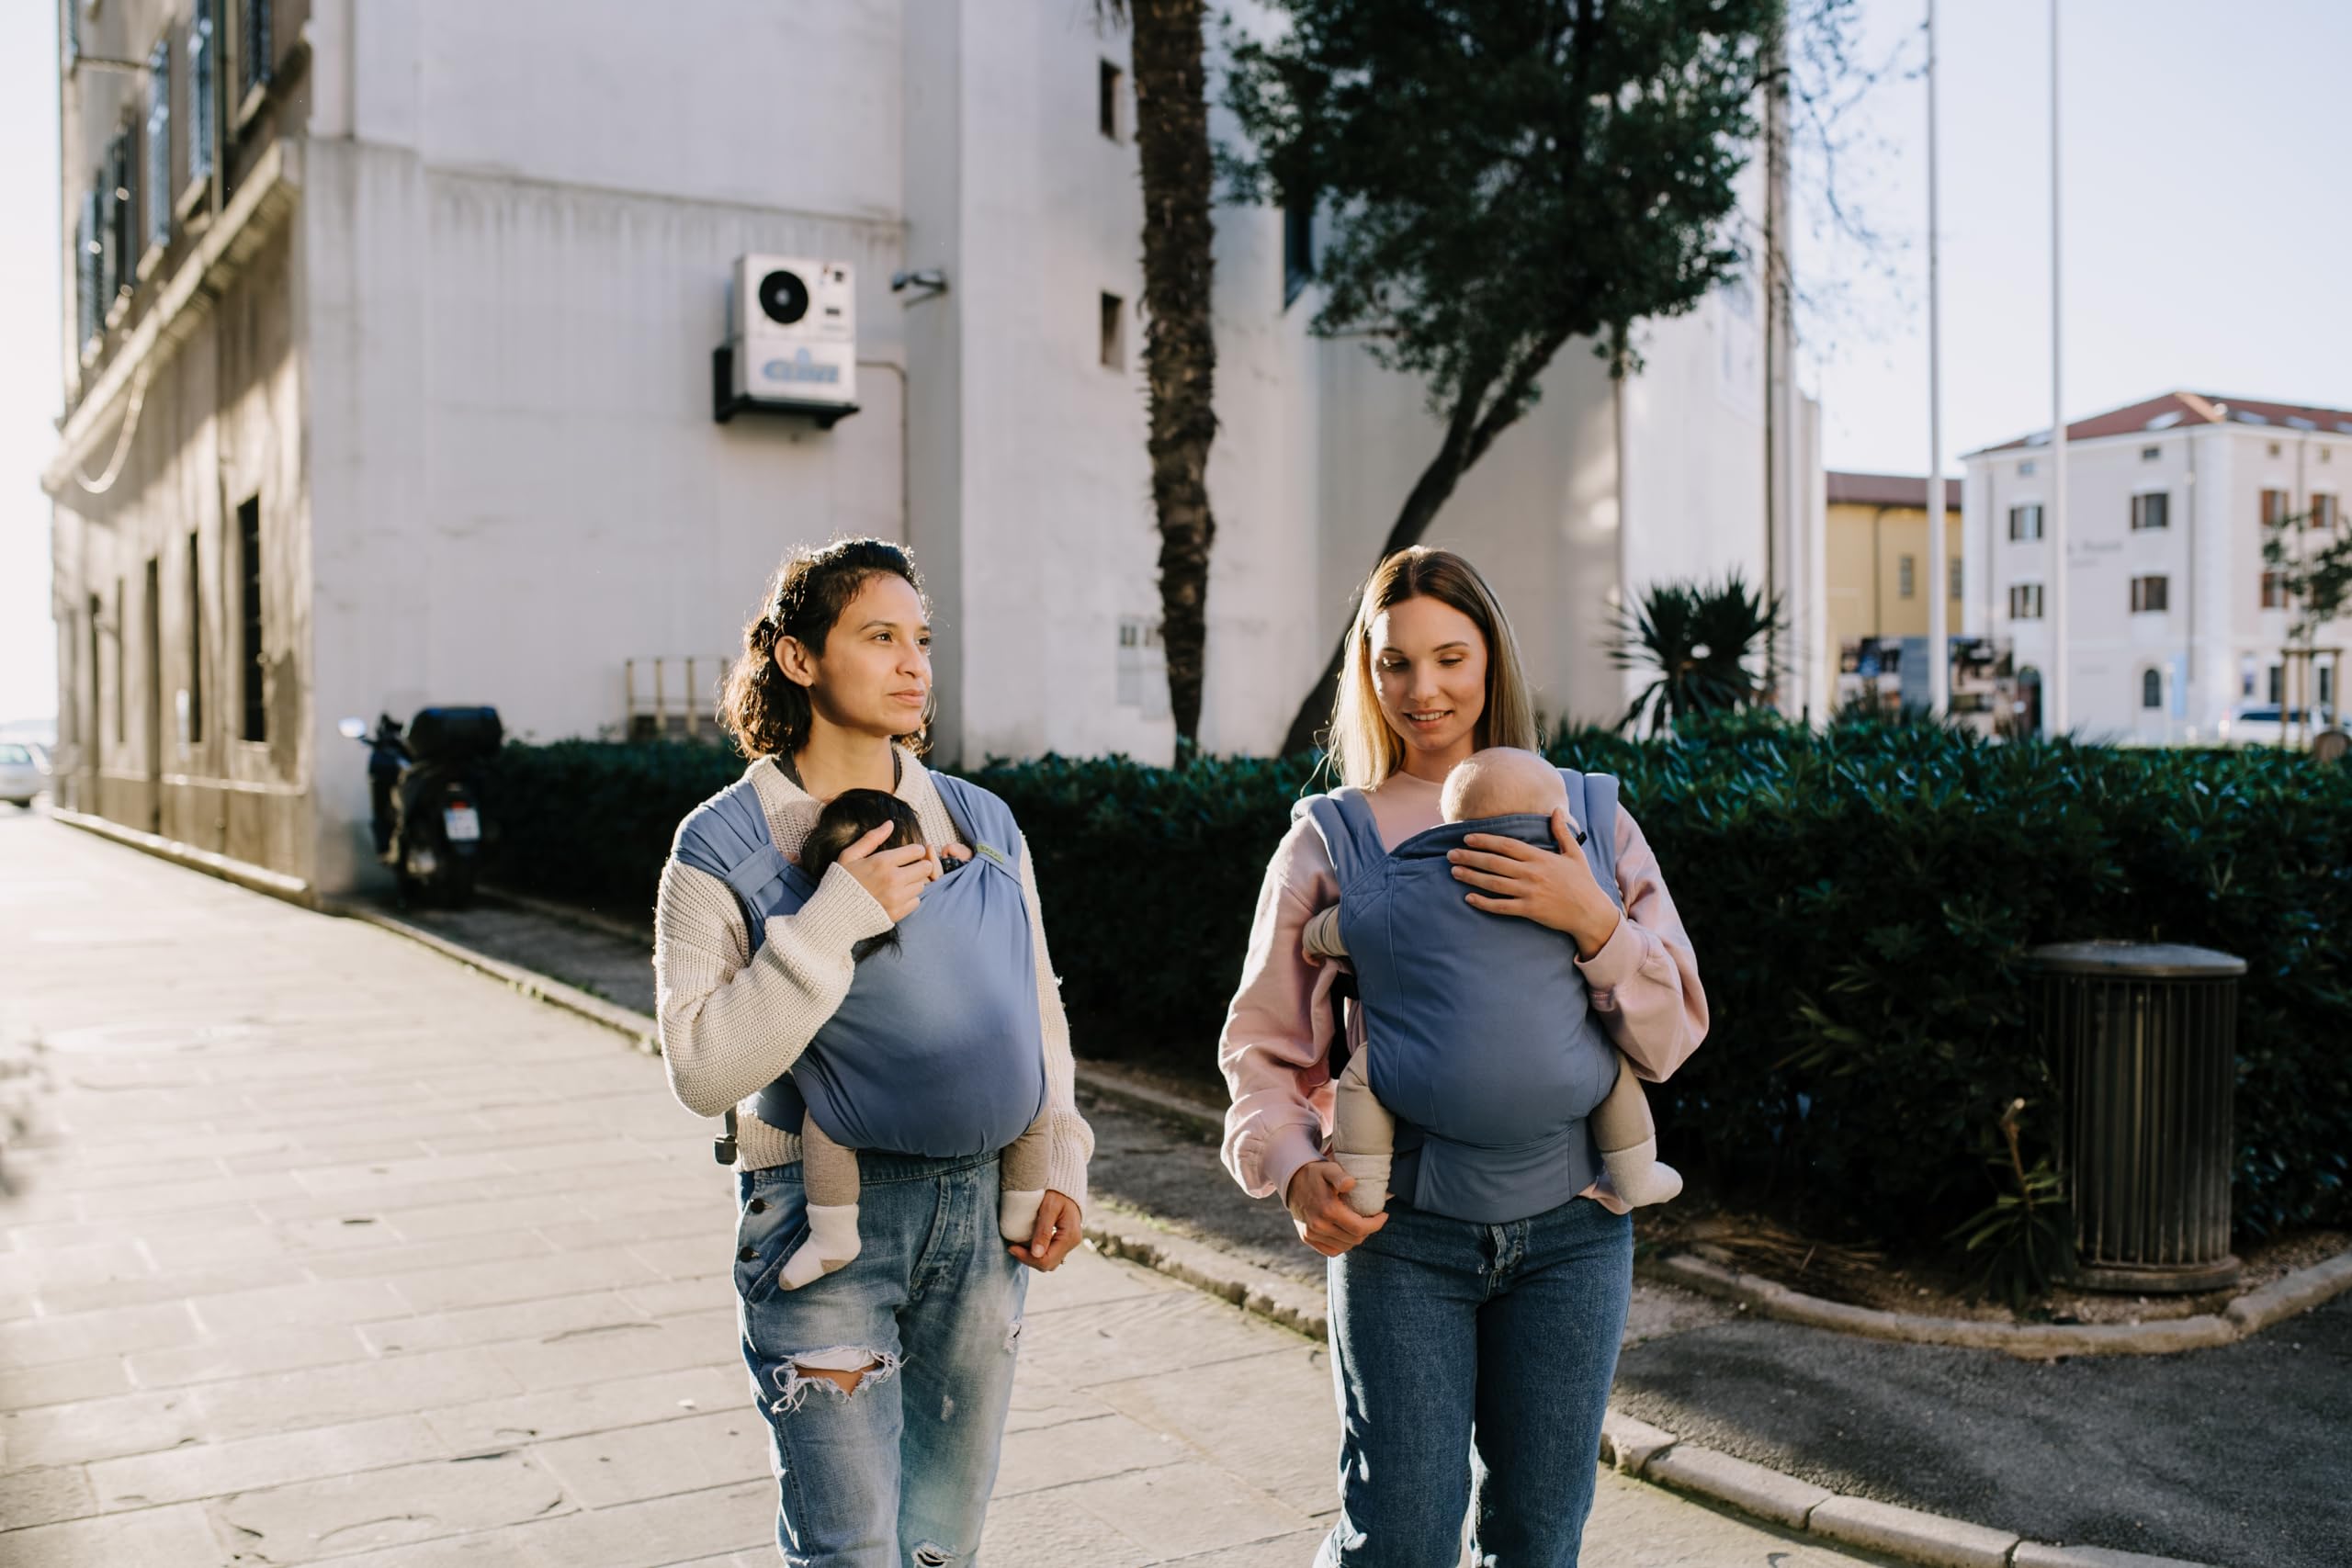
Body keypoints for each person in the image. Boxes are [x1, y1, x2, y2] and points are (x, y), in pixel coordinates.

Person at [1218, 546, 1708, 1566]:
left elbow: (1670, 1036)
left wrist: (1594, 920)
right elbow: (1262, 1049)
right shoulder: (1330, 838)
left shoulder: (1591, 820)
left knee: (1538, 1534)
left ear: (1494, 660)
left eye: (1451, 657)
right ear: (1367, 672)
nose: (1423, 690)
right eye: (1395, 664)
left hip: (1576, 1234)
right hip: (1401, 1238)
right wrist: (1294, 1166)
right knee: (1398, 1531)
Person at [653, 536, 1093, 1566]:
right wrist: (837, 914)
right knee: (852, 1550)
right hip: (820, 1225)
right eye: (879, 636)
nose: (913, 665)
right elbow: (703, 1068)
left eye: (921, 640)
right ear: (800, 660)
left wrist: (1060, 1150)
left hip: (984, 1219)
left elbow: (1034, 1009)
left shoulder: (980, 822)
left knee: (941, 1544)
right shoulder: (719, 847)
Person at [1298, 745, 1683, 1217]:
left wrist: (1315, 938)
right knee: (1614, 1070)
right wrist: (1600, 922)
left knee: (1364, 1075)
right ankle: (1638, 1174)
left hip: (1420, 1087)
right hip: (1571, 1083)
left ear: (1445, 826)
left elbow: (1346, 926)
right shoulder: (1589, 885)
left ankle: (1364, 1190)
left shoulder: (1399, 889)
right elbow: (1669, 1038)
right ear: (1561, 819)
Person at [779, 786, 1057, 1288]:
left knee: (824, 1125)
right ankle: (1022, 1210)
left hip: (874, 1108)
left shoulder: (824, 913)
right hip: (1005, 1101)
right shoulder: (958, 877)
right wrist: (964, 869)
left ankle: (833, 1235)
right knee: (1036, 1110)